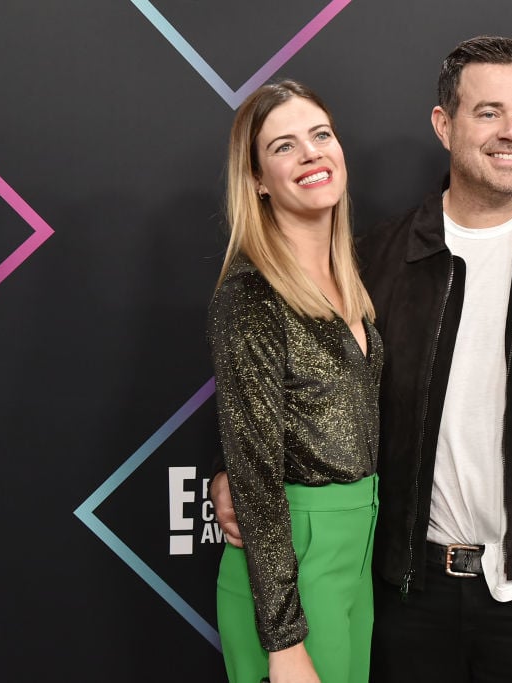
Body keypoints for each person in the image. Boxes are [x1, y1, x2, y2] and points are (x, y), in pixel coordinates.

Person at [213, 36, 512, 682]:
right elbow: (300, 397)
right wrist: (236, 477)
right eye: (489, 112)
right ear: (443, 124)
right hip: (404, 594)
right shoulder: (377, 260)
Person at [208, 80, 382, 683]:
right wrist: (283, 644)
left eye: (321, 135)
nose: (311, 154)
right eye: (284, 146)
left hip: (355, 555)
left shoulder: (353, 283)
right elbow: (254, 477)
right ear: (257, 178)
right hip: (293, 570)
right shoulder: (252, 295)